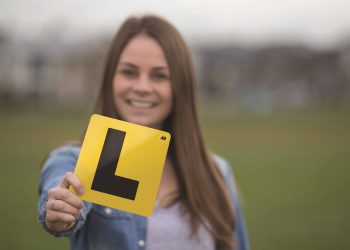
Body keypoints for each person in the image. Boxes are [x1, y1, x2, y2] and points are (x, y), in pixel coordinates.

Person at [38, 14, 250, 250]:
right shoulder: (73, 161)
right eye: (129, 72)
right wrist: (61, 210)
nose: (141, 87)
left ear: (180, 86)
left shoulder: (217, 172)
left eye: (159, 75)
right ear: (111, 79)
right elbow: (58, 190)